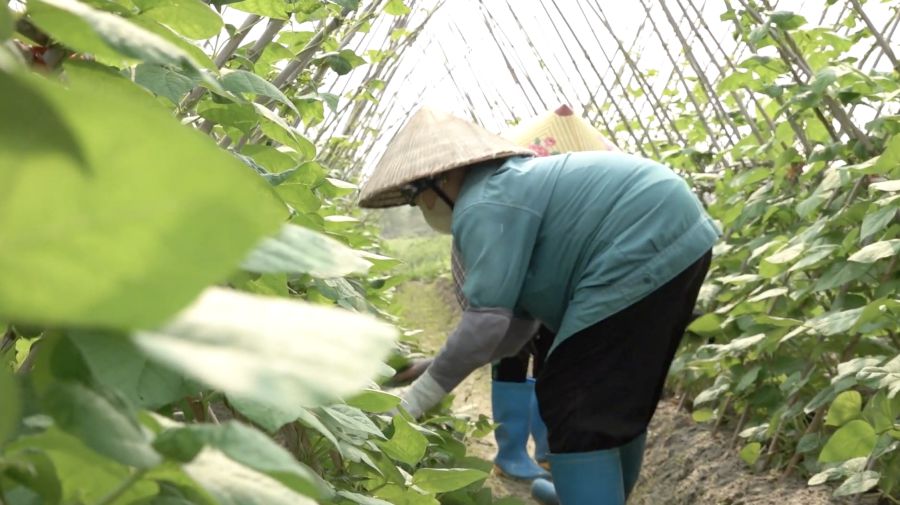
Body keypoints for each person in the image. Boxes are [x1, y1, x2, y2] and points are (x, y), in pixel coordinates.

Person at [359, 107, 719, 504]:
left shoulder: (482, 203)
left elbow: (485, 324)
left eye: (417, 195)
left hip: (639, 239)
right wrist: (433, 366)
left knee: (574, 396)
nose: (422, 206)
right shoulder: (507, 185)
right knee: (615, 395)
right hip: (674, 228)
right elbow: (516, 327)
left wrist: (412, 403)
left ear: (441, 178)